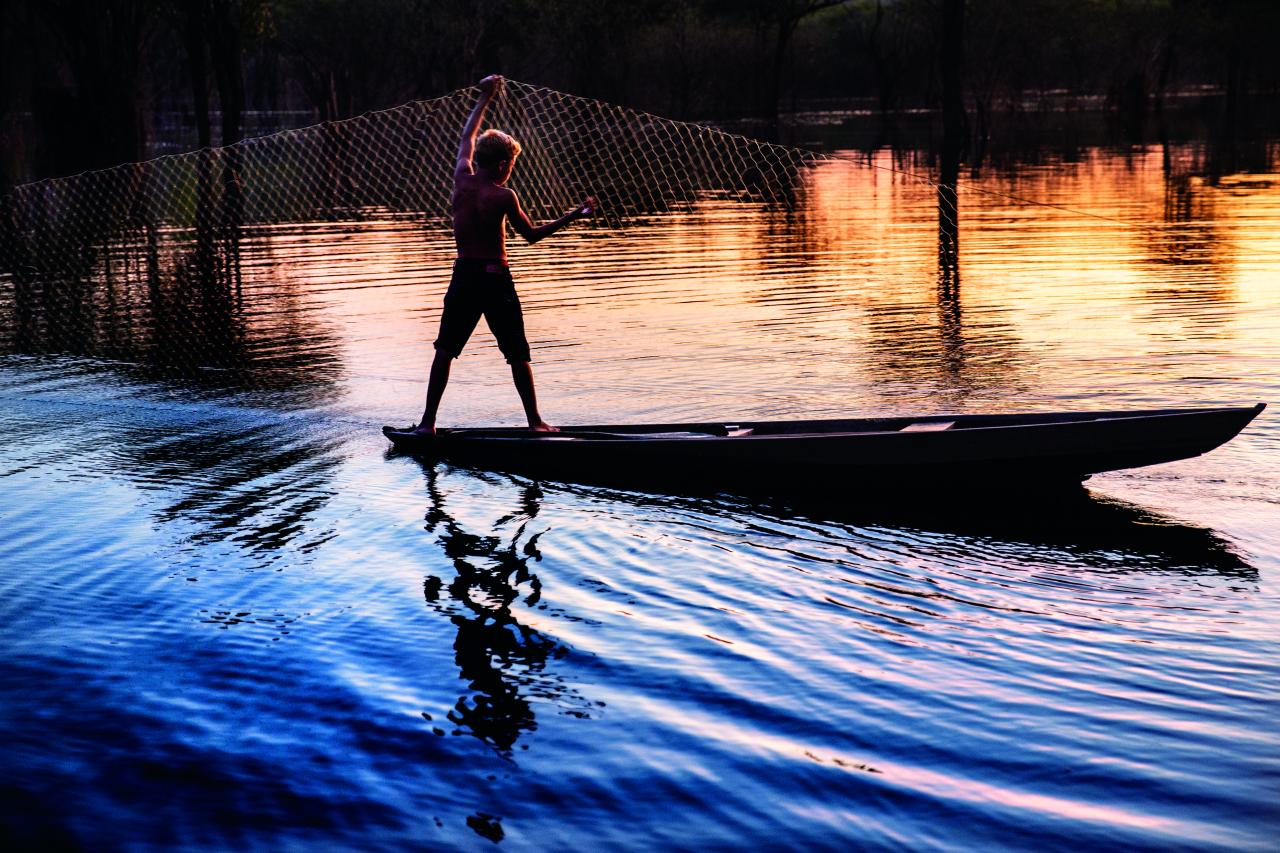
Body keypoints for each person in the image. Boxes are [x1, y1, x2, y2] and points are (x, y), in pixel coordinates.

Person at [409, 74, 595, 436]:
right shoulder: (504, 195)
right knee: (517, 353)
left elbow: (465, 138)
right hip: (494, 279)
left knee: (446, 349)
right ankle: (535, 422)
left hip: (464, 276)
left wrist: (484, 98)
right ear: (501, 167)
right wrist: (574, 215)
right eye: (511, 164)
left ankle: (427, 424)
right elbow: (531, 236)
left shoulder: (461, 178)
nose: (512, 170)